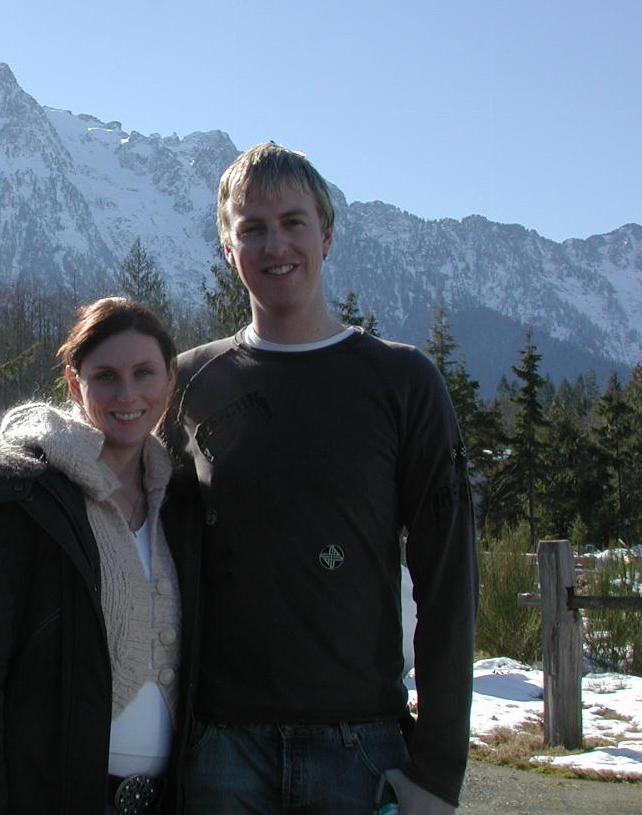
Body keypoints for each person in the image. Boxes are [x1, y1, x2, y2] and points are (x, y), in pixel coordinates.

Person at [165, 143, 478, 815]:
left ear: (327, 235)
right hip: (219, 751)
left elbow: (449, 579)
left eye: (293, 222)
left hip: (360, 749)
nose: (275, 245)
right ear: (228, 247)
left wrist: (438, 769)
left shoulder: (403, 382)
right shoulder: (188, 383)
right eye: (252, 228)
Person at [0, 297, 201, 815]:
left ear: (170, 378)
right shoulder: (23, 498)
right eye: (105, 377)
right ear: (75, 385)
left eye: (144, 373)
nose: (127, 395)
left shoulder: (182, 506)